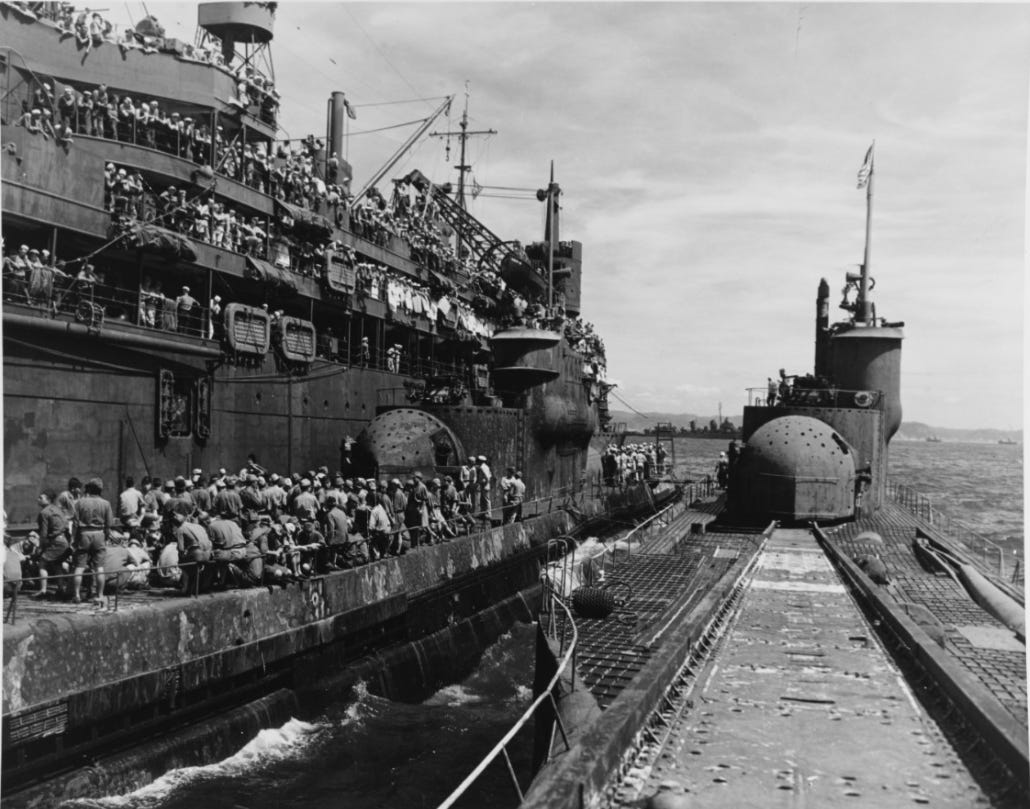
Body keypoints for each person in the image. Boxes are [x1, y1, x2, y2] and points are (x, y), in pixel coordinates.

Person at [71, 478, 114, 604]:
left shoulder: (79, 502)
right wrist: (105, 536)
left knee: (79, 567)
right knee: (99, 567)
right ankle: (99, 595)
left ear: (89, 488)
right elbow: (109, 524)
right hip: (99, 533)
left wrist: (74, 539)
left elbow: (75, 523)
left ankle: (77, 595)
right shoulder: (106, 504)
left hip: (84, 533)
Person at [36, 489, 70, 597]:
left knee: (42, 562)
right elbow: (66, 525)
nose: (38, 499)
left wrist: (41, 547)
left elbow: (43, 533)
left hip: (55, 541)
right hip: (64, 540)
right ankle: (60, 588)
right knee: (57, 564)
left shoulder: (44, 513)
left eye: (41, 498)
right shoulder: (58, 510)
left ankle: (43, 590)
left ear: (48, 500)